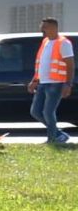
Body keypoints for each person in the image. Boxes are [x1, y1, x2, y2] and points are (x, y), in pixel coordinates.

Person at [28, 15, 73, 147]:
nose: (42, 31)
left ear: (53, 28)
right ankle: (58, 134)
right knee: (35, 111)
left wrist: (68, 84)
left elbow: (70, 65)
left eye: (44, 28)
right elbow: (40, 64)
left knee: (48, 112)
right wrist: (34, 80)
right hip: (42, 82)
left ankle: (52, 139)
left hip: (56, 83)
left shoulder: (64, 43)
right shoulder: (46, 41)